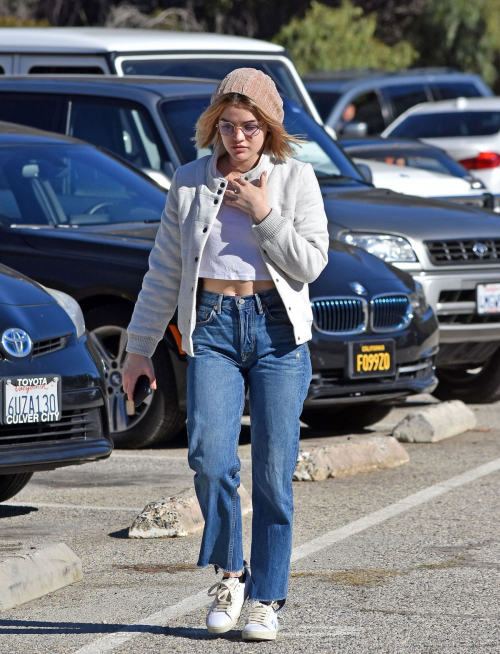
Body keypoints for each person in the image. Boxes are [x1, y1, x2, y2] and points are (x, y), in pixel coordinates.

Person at [123, 68, 329, 641]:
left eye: (252, 127)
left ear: (269, 130)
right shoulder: (188, 182)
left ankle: (266, 596)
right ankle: (231, 573)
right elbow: (164, 270)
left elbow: (311, 264)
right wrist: (138, 348)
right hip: (211, 328)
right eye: (228, 126)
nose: (239, 138)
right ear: (214, 125)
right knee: (211, 457)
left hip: (277, 333)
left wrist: (263, 212)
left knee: (271, 471)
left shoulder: (295, 179)